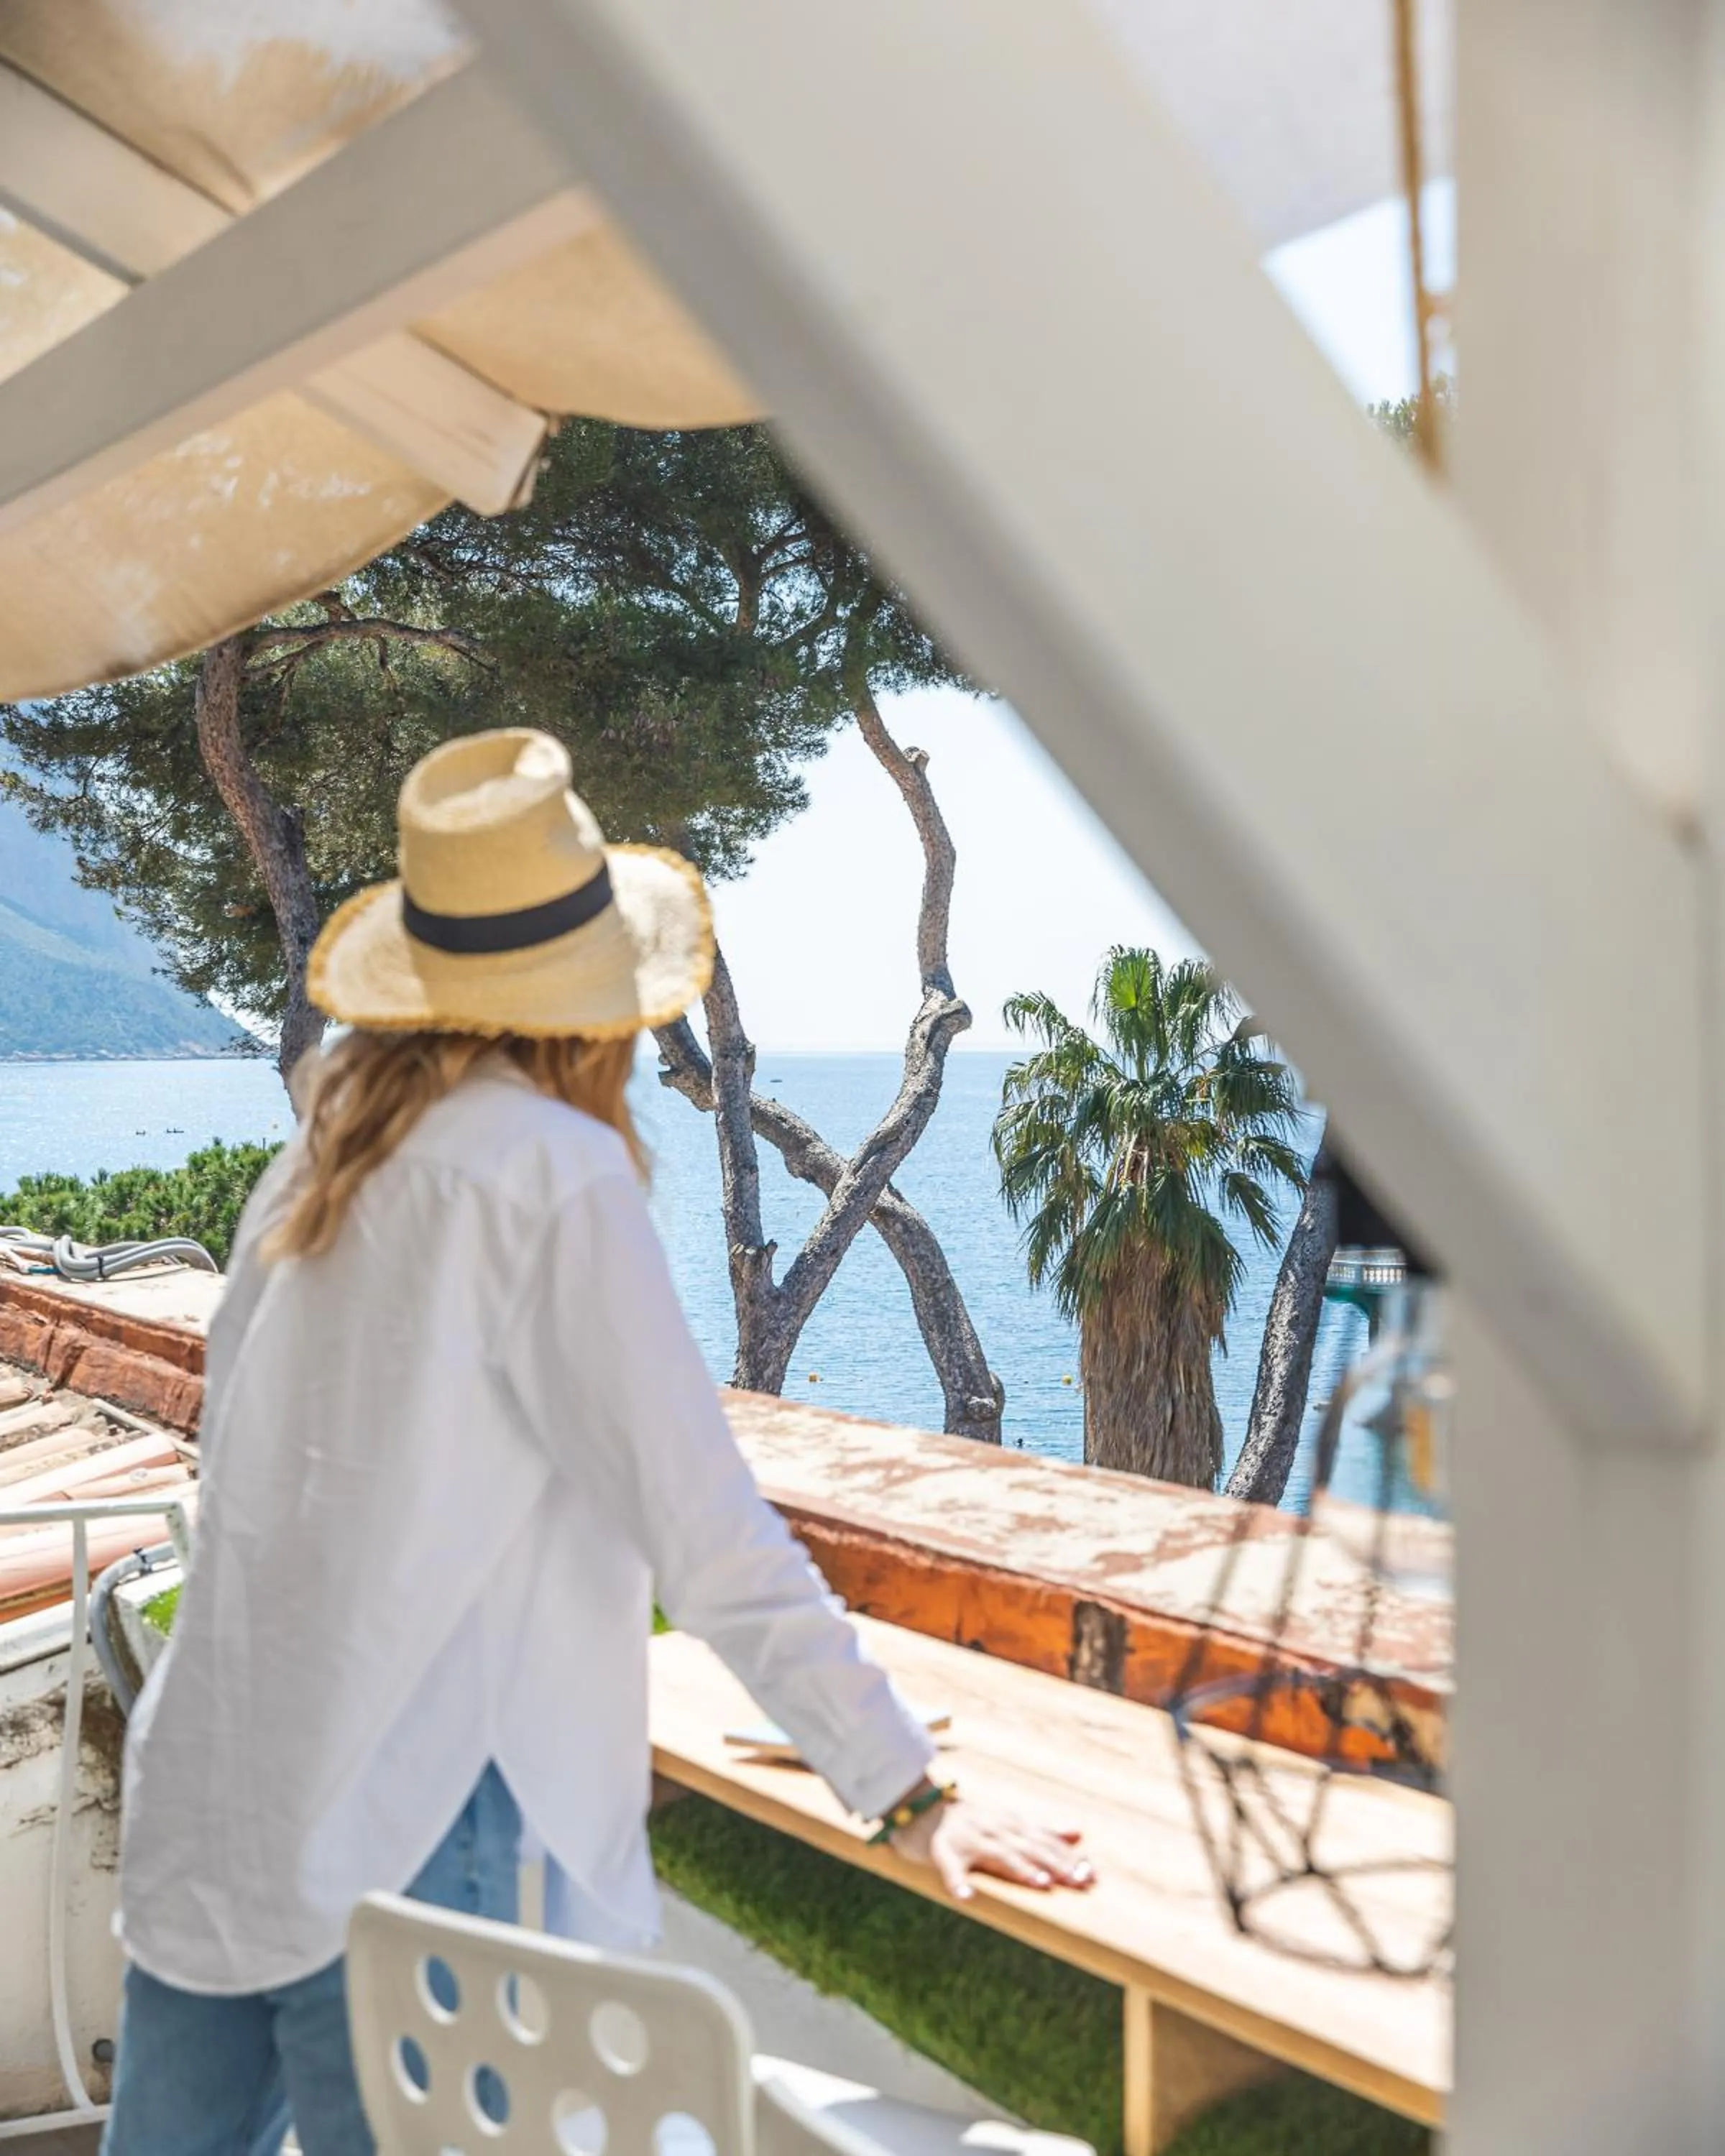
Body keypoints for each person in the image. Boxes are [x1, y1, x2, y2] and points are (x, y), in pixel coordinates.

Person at [103, 729, 1091, 2155]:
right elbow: (707, 1525)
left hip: (223, 1789)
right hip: (406, 1827)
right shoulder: (544, 1176)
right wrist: (907, 1791)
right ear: (590, 1003)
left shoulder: (323, 1150)